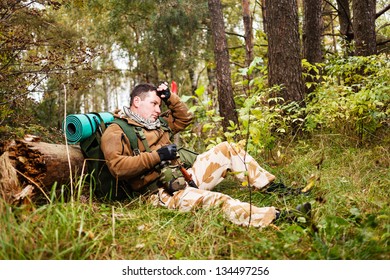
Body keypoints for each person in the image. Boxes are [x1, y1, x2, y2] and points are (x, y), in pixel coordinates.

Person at [101, 82, 300, 228]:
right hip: (160, 194)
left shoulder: (158, 124)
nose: (157, 109)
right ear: (137, 101)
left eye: (159, 105)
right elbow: (117, 167)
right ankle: (278, 217)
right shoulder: (117, 131)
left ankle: (274, 188)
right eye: (153, 104)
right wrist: (157, 156)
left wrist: (169, 97)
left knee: (227, 148)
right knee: (218, 201)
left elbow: (185, 118)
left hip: (183, 177)